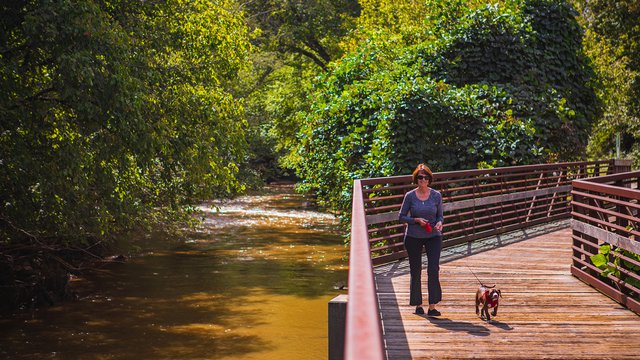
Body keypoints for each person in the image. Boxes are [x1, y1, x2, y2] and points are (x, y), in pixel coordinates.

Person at [399, 163, 444, 316]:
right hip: (413, 237)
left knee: (433, 269)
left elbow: (440, 216)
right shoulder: (410, 196)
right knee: (415, 270)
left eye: (425, 177)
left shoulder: (436, 195)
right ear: (416, 179)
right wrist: (416, 220)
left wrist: (439, 223)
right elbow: (401, 217)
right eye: (419, 177)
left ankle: (432, 306)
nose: (422, 180)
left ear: (429, 179)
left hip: (433, 236)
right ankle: (418, 305)